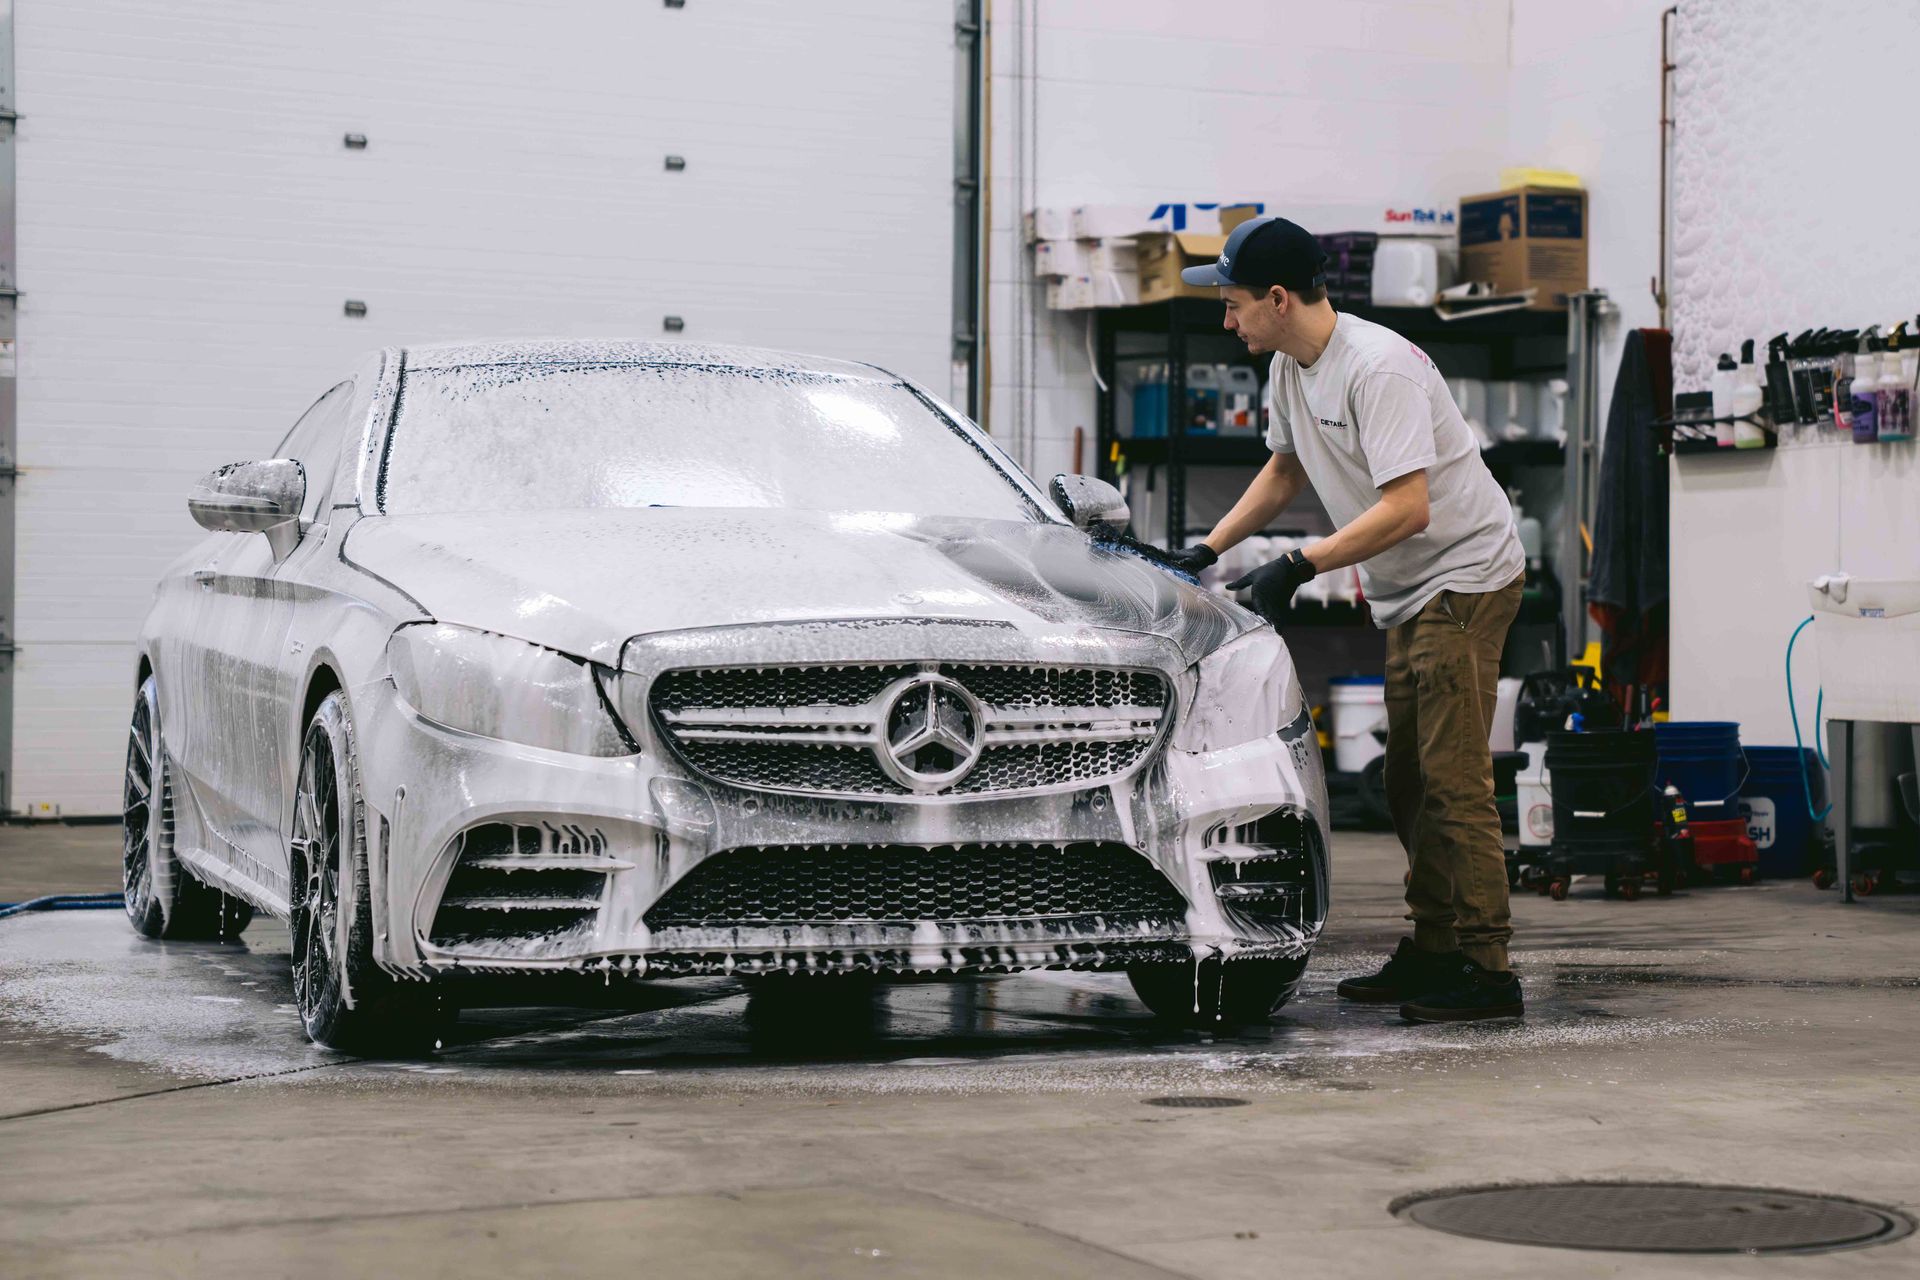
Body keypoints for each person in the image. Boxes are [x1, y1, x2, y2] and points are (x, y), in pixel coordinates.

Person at [1165, 215, 1527, 1023]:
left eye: (1234, 304)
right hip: (1410, 592)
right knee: (1407, 781)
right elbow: (1285, 470)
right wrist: (1208, 548)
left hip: (1464, 581)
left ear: (1280, 299)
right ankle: (1436, 947)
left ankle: (1486, 968)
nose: (1227, 320)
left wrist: (1301, 564)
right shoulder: (1295, 368)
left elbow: (1408, 507)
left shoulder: (1378, 368)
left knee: (1451, 779)